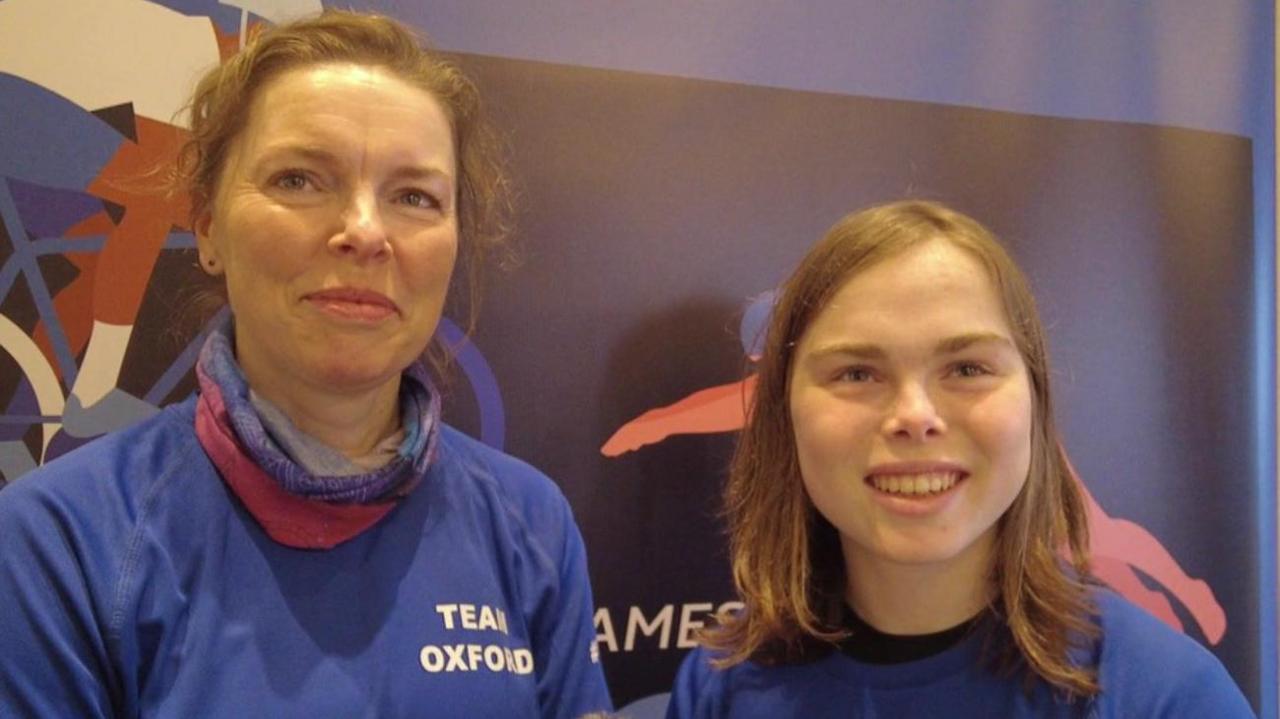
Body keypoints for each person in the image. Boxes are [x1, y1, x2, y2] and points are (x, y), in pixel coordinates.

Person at [0, 11, 612, 718]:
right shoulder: (57, 542)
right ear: (207, 227)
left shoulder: (531, 520)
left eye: (414, 195)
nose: (364, 230)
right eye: (298, 179)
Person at [665, 200, 1254, 717]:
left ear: (1034, 402)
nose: (914, 415)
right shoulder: (722, 687)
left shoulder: (1168, 697)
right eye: (856, 373)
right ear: (784, 414)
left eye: (967, 368)